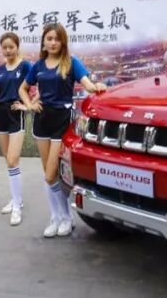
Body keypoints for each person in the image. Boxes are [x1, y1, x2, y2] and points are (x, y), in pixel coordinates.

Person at [18, 23, 106, 238]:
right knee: (49, 176)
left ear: (63, 41)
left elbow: (88, 85)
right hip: (41, 121)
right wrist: (29, 105)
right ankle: (56, 217)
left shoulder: (71, 62)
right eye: (49, 38)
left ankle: (66, 217)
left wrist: (97, 87)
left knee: (52, 174)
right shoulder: (38, 65)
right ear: (43, 42)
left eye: (57, 39)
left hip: (61, 121)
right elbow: (23, 89)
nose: (53, 42)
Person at [0, 32, 33, 227]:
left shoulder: (26, 66)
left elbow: (39, 87)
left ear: (17, 46)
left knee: (13, 160)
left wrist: (27, 106)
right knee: (9, 161)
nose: (7, 50)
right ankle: (15, 199)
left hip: (16, 114)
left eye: (11, 47)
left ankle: (17, 206)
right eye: (4, 47)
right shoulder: (0, 69)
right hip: (1, 116)